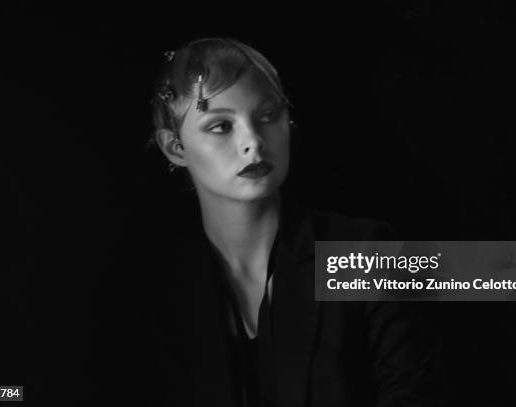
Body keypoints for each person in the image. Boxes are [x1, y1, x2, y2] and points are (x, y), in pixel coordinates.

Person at [126, 37, 444, 407]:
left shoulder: (364, 254)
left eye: (268, 115)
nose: (254, 142)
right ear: (175, 147)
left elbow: (415, 393)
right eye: (220, 126)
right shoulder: (152, 284)